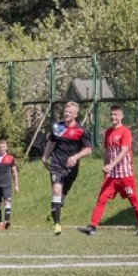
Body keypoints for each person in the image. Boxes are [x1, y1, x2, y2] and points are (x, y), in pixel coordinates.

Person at [78, 105, 138, 237]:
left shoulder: (125, 132)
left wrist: (112, 165)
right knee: (101, 199)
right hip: (112, 176)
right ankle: (92, 227)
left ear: (121, 116)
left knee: (134, 200)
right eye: (111, 115)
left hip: (125, 175)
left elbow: (124, 151)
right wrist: (105, 170)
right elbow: (107, 152)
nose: (113, 117)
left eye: (116, 114)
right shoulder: (108, 132)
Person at [41, 101, 92, 235]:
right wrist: (45, 157)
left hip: (71, 168)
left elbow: (88, 150)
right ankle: (57, 224)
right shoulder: (57, 127)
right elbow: (51, 142)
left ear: (75, 114)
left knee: (62, 196)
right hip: (56, 164)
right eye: (65, 111)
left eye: (70, 112)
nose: (66, 114)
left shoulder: (81, 131)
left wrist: (75, 157)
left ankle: (54, 213)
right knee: (56, 190)